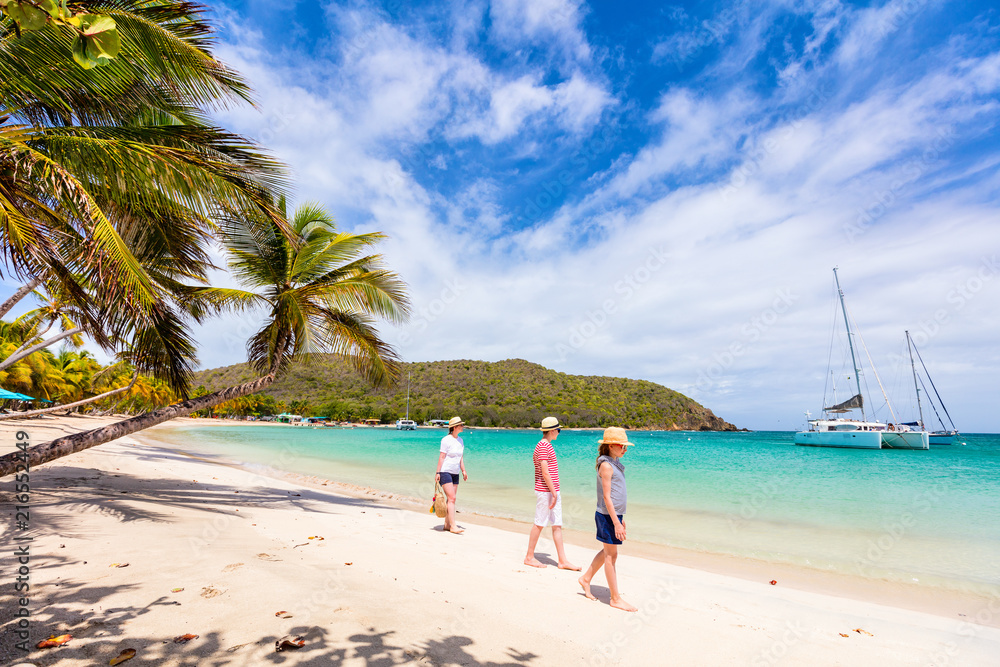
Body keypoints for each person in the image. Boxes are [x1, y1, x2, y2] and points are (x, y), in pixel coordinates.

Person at [578, 426, 637, 612]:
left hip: (613, 515)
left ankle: (586, 578)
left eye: (626, 447)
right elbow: (607, 497)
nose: (624, 449)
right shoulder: (606, 465)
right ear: (611, 446)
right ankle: (615, 598)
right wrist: (616, 523)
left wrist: (620, 518)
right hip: (606, 516)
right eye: (622, 446)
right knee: (611, 555)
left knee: (608, 552)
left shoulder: (614, 462)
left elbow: (617, 494)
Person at [524, 417, 580, 570]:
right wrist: (554, 493)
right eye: (558, 430)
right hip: (546, 491)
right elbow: (545, 472)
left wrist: (555, 492)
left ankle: (562, 560)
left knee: (557, 525)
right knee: (539, 523)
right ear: (552, 431)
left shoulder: (546, 445)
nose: (559, 433)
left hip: (551, 491)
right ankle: (529, 557)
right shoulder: (543, 446)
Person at [435, 416, 467, 534]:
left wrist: (463, 470)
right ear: (454, 427)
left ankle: (447, 524)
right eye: (461, 425)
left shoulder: (461, 440)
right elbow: (442, 457)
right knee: (452, 498)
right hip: (445, 471)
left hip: (455, 472)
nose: (463, 426)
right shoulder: (446, 440)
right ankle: (453, 526)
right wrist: (438, 472)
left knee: (451, 499)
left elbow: (460, 457)